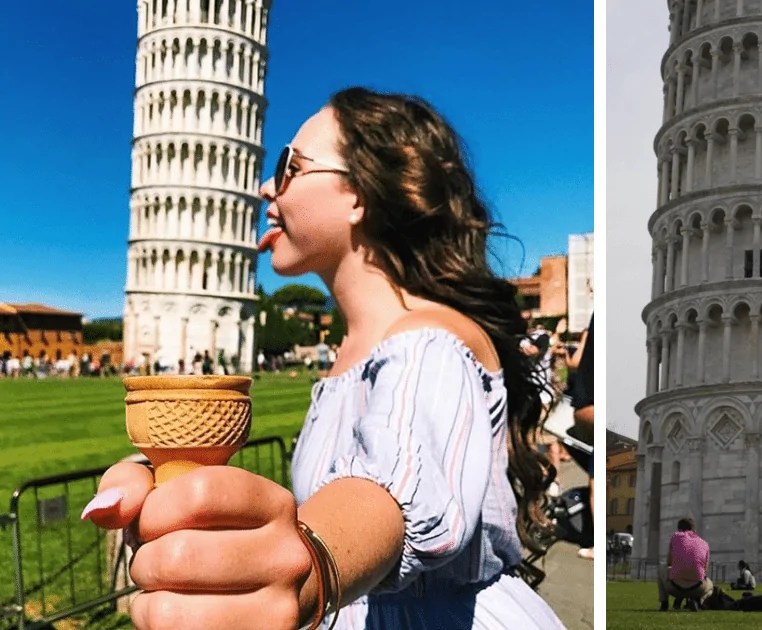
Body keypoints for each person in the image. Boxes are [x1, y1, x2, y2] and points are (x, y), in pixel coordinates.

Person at [82, 87, 563, 628]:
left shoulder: (428, 342)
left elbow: (390, 496)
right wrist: (199, 500)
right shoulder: (358, 353)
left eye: (290, 166)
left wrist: (307, 568)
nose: (267, 186)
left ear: (358, 196)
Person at [563, 316, 595, 560]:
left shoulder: (592, 327)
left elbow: (575, 363)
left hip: (590, 406)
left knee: (596, 483)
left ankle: (595, 543)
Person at [658, 518, 713, 612]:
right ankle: (699, 601)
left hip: (675, 587)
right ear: (694, 530)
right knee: (711, 586)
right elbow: (705, 569)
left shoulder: (675, 536)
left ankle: (664, 603)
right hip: (697, 588)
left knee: (661, 569)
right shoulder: (704, 543)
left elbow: (669, 562)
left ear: (678, 529)